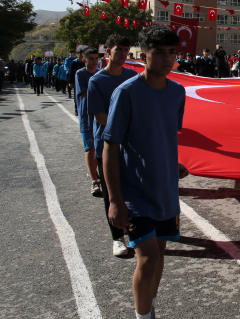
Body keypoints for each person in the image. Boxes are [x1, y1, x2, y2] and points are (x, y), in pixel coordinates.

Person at [104, 25, 188, 319]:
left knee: (160, 254)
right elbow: (110, 146)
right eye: (159, 53)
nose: (167, 58)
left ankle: (149, 307)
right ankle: (143, 317)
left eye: (172, 53)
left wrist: (173, 164)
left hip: (165, 190)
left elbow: (162, 135)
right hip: (135, 195)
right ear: (143, 56)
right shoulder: (126, 93)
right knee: (148, 257)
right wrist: (114, 199)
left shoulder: (178, 92)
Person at [88, 34, 138, 257]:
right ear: (107, 51)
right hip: (108, 146)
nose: (123, 54)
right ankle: (117, 238)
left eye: (126, 50)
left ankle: (136, 231)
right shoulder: (96, 81)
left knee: (135, 189)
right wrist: (125, 130)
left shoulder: (132, 76)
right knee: (112, 192)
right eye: (119, 49)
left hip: (132, 145)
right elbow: (100, 116)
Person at [76, 47, 102, 197]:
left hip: (100, 116)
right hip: (87, 117)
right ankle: (94, 181)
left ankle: (98, 174)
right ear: (84, 59)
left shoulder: (100, 73)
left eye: (96, 58)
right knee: (90, 148)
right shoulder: (81, 74)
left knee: (101, 149)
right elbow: (84, 93)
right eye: (91, 58)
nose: (94, 61)